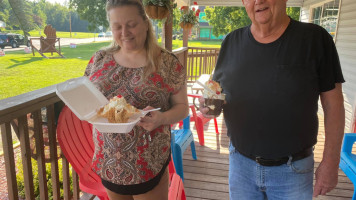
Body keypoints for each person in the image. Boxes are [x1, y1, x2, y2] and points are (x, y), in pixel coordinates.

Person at [199, 0, 345, 199]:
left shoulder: (315, 39)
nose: (259, 1)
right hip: (240, 165)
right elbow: (219, 92)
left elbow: (333, 105)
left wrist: (331, 162)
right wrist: (212, 106)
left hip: (293, 171)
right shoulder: (231, 41)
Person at [84, 0, 189, 199]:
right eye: (117, 26)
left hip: (148, 163)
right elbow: (87, 96)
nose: (124, 32)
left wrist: (161, 118)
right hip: (109, 162)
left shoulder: (166, 63)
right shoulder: (99, 59)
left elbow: (183, 108)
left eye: (131, 24)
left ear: (145, 23)